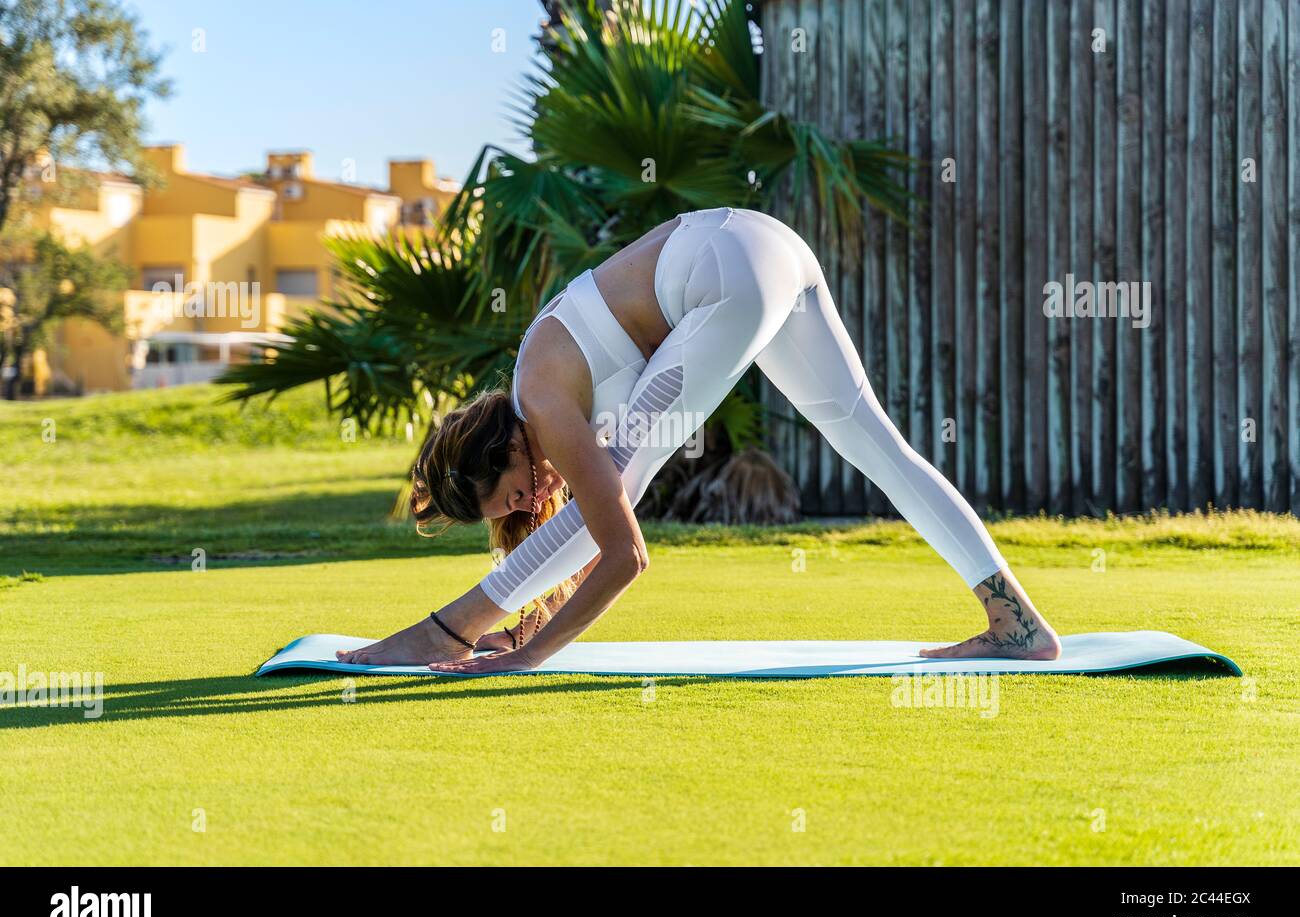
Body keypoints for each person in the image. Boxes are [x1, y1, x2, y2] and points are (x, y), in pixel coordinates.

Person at [337, 208, 1060, 674]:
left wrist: (514, 655)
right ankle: (1017, 622)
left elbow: (623, 552)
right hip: (765, 247)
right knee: (876, 446)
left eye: (513, 491)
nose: (529, 500)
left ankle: (446, 629)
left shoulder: (542, 399)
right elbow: (592, 529)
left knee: (625, 483)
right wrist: (535, 624)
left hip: (727, 274)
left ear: (509, 447)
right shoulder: (548, 391)